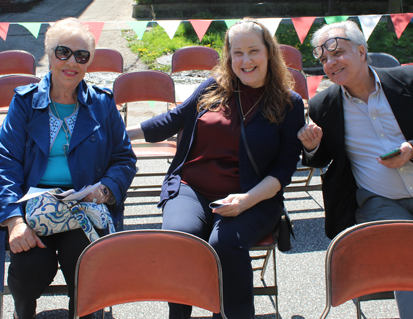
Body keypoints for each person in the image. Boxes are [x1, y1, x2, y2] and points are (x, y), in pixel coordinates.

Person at [127, 17, 305, 319]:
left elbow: (284, 169)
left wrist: (246, 201)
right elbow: (172, 120)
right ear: (229, 56)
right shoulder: (213, 87)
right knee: (179, 239)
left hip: (255, 197)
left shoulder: (290, 103)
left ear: (269, 53)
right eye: (237, 52)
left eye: (253, 51)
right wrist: (113, 133)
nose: (245, 60)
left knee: (225, 242)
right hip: (192, 189)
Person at [297, 20, 413, 319]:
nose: (330, 62)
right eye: (324, 59)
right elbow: (321, 157)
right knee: (403, 263)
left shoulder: (412, 80)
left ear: (362, 51)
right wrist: (311, 146)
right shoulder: (323, 104)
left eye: (337, 52)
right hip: (380, 203)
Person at [0, 18, 137, 319]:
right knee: (29, 269)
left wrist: (104, 189)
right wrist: (14, 222)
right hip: (32, 207)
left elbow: (124, 159)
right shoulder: (25, 102)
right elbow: (4, 164)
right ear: (49, 53)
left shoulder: (102, 104)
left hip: (83, 208)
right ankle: (22, 313)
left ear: (89, 62)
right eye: (63, 52)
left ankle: (84, 313)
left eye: (81, 56)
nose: (71, 62)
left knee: (85, 264)